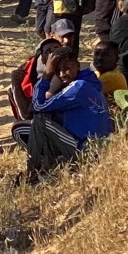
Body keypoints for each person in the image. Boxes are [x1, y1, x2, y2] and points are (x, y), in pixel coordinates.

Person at [12, 48, 111, 180]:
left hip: (86, 149)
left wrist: (46, 76)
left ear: (78, 65)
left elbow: (37, 106)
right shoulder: (86, 80)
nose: (62, 74)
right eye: (58, 71)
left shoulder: (78, 87)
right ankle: (46, 164)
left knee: (37, 121)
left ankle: (33, 170)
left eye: (67, 68)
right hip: (91, 144)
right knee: (34, 123)